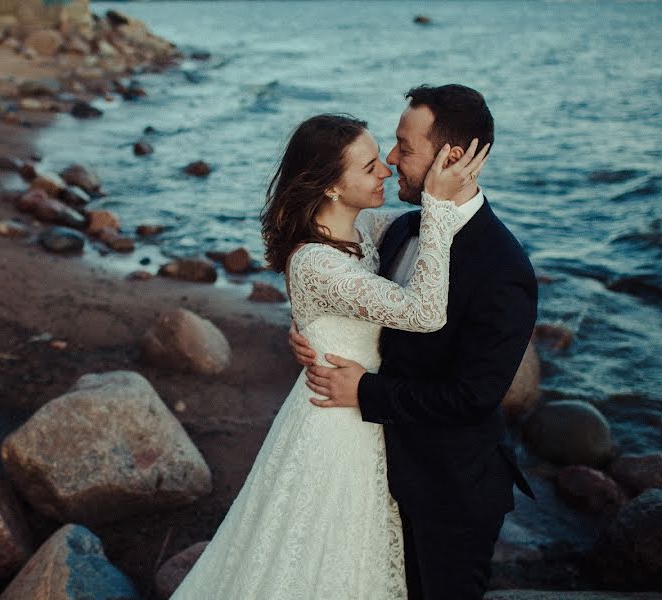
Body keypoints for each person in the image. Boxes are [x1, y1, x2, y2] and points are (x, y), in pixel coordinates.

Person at [170, 112, 487, 599]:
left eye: (382, 156)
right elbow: (423, 312)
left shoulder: (366, 230)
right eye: (368, 166)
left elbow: (411, 228)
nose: (385, 169)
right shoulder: (317, 260)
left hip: (361, 405)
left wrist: (452, 179)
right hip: (336, 424)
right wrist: (440, 208)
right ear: (331, 189)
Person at [291, 85, 537, 600]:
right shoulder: (403, 230)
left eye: (404, 146)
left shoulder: (502, 267)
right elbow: (335, 269)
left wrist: (364, 391)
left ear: (450, 158)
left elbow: (474, 396)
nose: (391, 159)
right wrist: (310, 332)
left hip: (450, 491)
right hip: (376, 473)